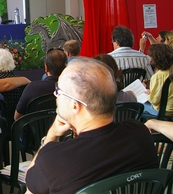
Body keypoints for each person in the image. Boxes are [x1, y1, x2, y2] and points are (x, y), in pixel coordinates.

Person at [24, 58, 158, 194]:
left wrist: (51, 135)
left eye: (58, 90)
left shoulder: (52, 159)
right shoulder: (140, 133)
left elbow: (31, 187)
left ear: (75, 105)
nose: (55, 94)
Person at [14, 48, 66, 120]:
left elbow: (17, 117)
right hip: (64, 130)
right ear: (66, 68)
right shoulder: (72, 89)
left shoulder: (32, 88)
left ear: (46, 68)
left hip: (33, 131)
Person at [143, 43, 173, 117]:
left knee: (139, 104)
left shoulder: (157, 76)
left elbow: (154, 101)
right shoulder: (171, 72)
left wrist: (149, 95)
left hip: (163, 111)